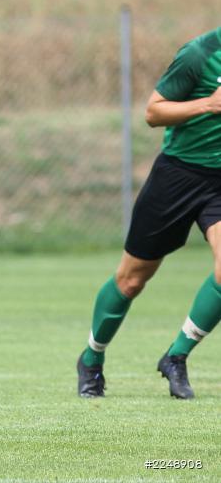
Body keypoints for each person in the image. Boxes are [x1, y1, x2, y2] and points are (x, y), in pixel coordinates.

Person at [77, 26, 221, 399]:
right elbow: (153, 112)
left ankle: (176, 355)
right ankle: (92, 358)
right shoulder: (199, 54)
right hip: (178, 176)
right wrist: (208, 104)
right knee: (131, 280)